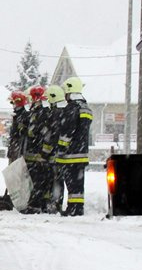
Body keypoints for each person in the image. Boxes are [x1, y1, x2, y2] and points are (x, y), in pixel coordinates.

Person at [54, 76, 93, 216]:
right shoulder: (86, 108)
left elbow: (67, 130)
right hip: (82, 154)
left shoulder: (71, 108)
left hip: (70, 155)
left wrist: (61, 147)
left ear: (70, 91)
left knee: (71, 184)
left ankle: (72, 209)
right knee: (78, 185)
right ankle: (78, 208)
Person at [22, 86, 52, 213]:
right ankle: (37, 204)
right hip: (32, 152)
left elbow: (43, 133)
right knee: (34, 180)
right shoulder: (34, 112)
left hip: (38, 153)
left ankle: (36, 205)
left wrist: (44, 153)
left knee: (38, 180)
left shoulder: (42, 113)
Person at [44, 84, 69, 213]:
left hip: (54, 153)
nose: (48, 102)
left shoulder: (54, 114)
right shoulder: (65, 112)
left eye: (49, 99)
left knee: (54, 179)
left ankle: (53, 204)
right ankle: (56, 203)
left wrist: (46, 151)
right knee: (58, 180)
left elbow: (50, 135)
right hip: (61, 152)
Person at [6, 91, 29, 163]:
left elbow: (20, 133)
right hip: (15, 148)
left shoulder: (22, 115)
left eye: (13, 102)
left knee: (17, 172)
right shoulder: (17, 114)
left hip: (18, 149)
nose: (12, 105)